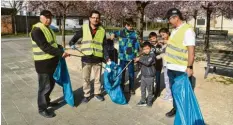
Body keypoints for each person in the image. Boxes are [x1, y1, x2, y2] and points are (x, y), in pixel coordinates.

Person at [30, 10, 70, 118]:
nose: (48, 20)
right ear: (40, 17)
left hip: (51, 63)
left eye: (50, 18)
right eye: (46, 17)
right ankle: (42, 108)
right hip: (43, 65)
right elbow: (45, 46)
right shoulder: (37, 30)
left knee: (50, 85)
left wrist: (60, 47)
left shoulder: (48, 29)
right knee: (44, 87)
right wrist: (61, 53)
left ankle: (47, 102)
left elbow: (51, 43)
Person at [69, 10, 110, 103]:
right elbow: (73, 39)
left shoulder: (102, 30)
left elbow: (104, 45)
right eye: (93, 17)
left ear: (99, 19)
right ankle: (86, 95)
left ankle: (97, 93)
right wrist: (72, 44)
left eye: (97, 18)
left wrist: (106, 56)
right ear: (90, 18)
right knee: (86, 78)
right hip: (86, 58)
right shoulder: (84, 28)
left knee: (97, 79)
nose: (95, 19)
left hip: (97, 58)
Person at [163, 8, 196, 118]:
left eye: (169, 19)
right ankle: (176, 108)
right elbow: (175, 45)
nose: (168, 21)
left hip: (181, 68)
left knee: (183, 92)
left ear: (176, 17)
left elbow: (191, 51)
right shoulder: (174, 30)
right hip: (171, 66)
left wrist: (190, 67)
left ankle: (185, 112)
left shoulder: (187, 30)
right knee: (174, 90)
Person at [110, 18, 140, 95]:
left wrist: (136, 55)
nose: (130, 27)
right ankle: (121, 87)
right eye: (129, 26)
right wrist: (112, 34)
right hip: (122, 57)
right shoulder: (121, 32)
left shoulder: (134, 33)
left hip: (130, 57)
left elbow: (137, 45)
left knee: (131, 73)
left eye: (131, 26)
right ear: (125, 25)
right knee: (122, 73)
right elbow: (112, 33)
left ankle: (131, 89)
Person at [134, 42, 156, 107]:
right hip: (143, 76)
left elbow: (148, 63)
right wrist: (136, 61)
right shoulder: (143, 55)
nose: (146, 50)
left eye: (147, 48)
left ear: (150, 48)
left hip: (150, 77)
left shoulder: (152, 55)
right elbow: (140, 64)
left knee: (150, 91)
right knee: (142, 89)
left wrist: (139, 59)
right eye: (144, 49)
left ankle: (149, 102)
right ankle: (143, 101)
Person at [158, 28, 172, 101]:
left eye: (163, 34)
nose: (162, 36)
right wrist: (161, 45)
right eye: (161, 35)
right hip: (165, 63)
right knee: (166, 80)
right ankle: (168, 94)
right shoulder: (164, 42)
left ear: (167, 32)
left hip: (170, 63)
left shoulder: (171, 39)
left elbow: (171, 43)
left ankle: (171, 95)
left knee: (171, 80)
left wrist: (163, 41)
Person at [148, 32, 163, 97]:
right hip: (151, 66)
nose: (153, 40)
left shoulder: (159, 45)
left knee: (157, 79)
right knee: (151, 79)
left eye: (154, 38)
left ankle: (157, 91)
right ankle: (152, 90)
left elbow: (159, 54)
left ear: (156, 38)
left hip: (158, 65)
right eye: (151, 39)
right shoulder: (149, 46)